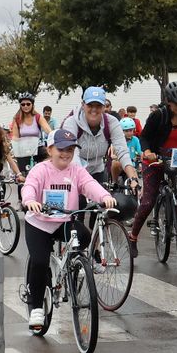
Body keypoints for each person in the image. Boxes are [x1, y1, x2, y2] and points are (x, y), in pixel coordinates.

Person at [21, 129, 116, 328]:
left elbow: (89, 184)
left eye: (71, 149)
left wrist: (104, 196)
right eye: (61, 149)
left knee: (85, 234)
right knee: (39, 262)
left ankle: (82, 263)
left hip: (65, 221)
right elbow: (29, 186)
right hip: (40, 223)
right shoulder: (40, 170)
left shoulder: (76, 170)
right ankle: (37, 307)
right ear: (50, 149)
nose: (66, 153)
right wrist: (29, 200)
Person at [130, 81, 177, 243]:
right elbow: (144, 137)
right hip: (155, 157)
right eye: (176, 104)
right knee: (148, 201)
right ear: (168, 102)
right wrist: (147, 152)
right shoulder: (158, 115)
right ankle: (133, 237)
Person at [59, 86, 139, 188]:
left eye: (98, 105)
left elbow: (122, 151)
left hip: (98, 171)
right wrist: (86, 183)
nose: (94, 109)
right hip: (73, 172)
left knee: (109, 202)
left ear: (103, 107)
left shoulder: (112, 122)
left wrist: (133, 178)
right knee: (78, 202)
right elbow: (73, 155)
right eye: (90, 105)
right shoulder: (71, 123)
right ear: (83, 105)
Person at [8, 93, 52, 170]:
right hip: (23, 150)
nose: (25, 106)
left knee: (51, 156)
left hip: (37, 148)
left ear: (32, 105)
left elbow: (48, 130)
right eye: (23, 104)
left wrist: (55, 136)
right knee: (23, 172)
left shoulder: (38, 117)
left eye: (28, 104)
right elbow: (15, 136)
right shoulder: (17, 119)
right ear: (20, 106)